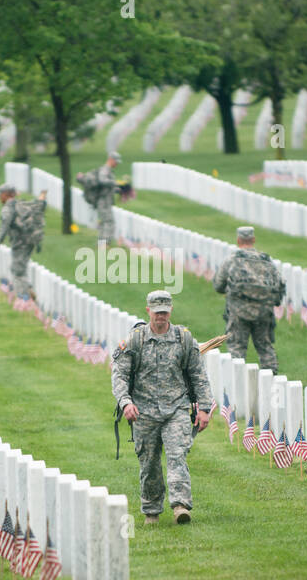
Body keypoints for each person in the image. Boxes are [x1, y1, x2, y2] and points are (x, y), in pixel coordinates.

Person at [111, 290, 212, 525]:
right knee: (149, 463)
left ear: (171, 311)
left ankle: (180, 505)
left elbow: (198, 375)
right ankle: (152, 511)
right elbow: (120, 374)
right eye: (157, 313)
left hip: (176, 408)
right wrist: (126, 403)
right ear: (148, 311)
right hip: (143, 411)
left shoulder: (183, 339)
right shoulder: (135, 339)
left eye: (165, 312)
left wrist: (205, 407)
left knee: (177, 456)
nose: (161, 317)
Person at [213, 226, 285, 373]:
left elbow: (218, 285)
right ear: (253, 240)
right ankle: (272, 379)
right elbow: (279, 286)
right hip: (264, 312)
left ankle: (236, 378)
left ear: (238, 240)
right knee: (265, 347)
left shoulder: (232, 260)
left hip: (239, 312)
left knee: (237, 349)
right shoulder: (267, 261)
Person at [0, 183, 47, 300]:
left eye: (0, 194)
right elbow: (39, 205)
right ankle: (29, 290)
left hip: (19, 243)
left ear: (6, 194)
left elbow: (4, 227)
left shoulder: (8, 208)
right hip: (30, 241)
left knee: (17, 271)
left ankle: (24, 298)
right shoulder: (21, 205)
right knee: (20, 268)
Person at [77, 151, 120, 244]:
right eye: (116, 161)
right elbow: (102, 180)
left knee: (104, 221)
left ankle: (101, 243)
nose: (117, 164)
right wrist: (115, 183)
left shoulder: (106, 170)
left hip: (104, 200)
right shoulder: (105, 169)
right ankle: (104, 244)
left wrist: (116, 189)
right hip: (104, 201)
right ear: (111, 159)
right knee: (108, 222)